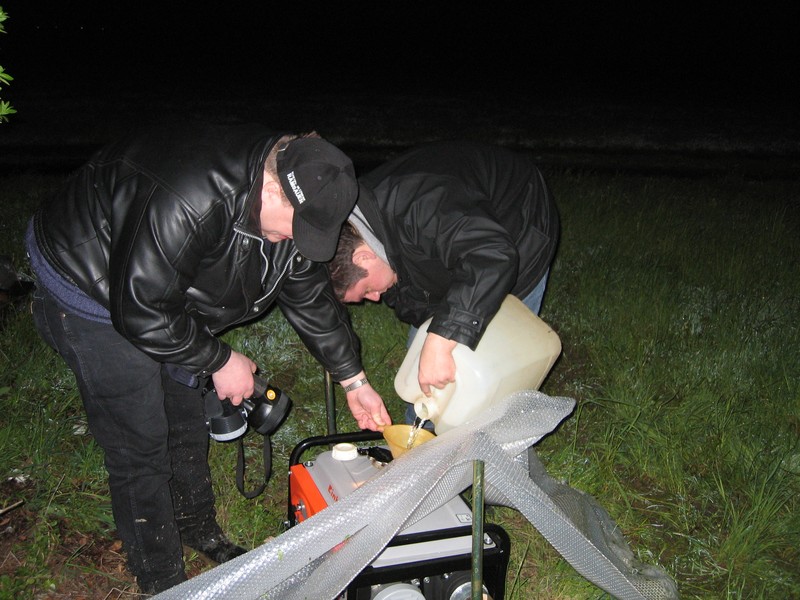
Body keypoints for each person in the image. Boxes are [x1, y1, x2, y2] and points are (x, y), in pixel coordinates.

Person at [25, 123, 391, 594]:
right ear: (272, 190)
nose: (296, 240)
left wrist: (353, 380)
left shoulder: (292, 203)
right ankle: (162, 580)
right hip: (91, 283)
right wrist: (219, 360)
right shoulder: (189, 200)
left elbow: (309, 296)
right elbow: (140, 309)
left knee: (184, 419)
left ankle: (197, 528)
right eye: (297, 228)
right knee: (140, 443)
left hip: (165, 292)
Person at [328, 141, 559, 423]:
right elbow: (414, 298)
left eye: (367, 290)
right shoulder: (368, 235)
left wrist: (441, 340)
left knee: (496, 362)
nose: (375, 298)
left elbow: (491, 256)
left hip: (518, 225)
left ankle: (490, 432)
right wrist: (437, 335)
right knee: (434, 348)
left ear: (364, 257)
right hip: (459, 237)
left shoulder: (421, 206)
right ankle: (423, 433)